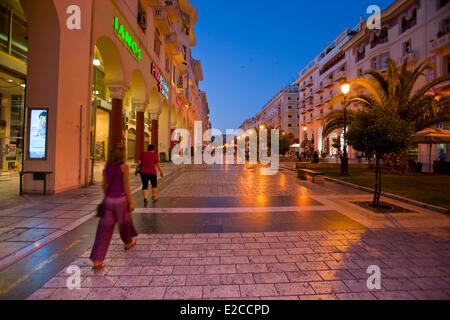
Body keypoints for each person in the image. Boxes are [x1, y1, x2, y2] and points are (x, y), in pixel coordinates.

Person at [90, 144, 137, 270]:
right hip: (121, 200)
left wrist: (108, 197)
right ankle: (128, 242)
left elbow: (104, 185)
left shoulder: (107, 166)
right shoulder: (124, 167)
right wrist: (131, 202)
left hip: (109, 200)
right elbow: (126, 186)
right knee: (125, 224)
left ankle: (97, 260)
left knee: (103, 230)